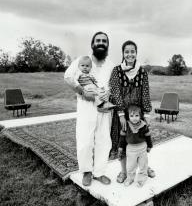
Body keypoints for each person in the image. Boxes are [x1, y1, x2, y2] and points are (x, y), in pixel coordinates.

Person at [64, 31, 114, 186]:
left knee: (104, 140)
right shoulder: (82, 60)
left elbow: (113, 85)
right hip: (86, 106)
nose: (101, 43)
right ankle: (86, 171)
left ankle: (99, 172)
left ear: (107, 45)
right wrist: (82, 91)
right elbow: (68, 76)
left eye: (104, 41)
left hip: (103, 108)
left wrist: (108, 93)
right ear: (92, 44)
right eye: (98, 40)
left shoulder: (111, 65)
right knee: (85, 140)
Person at [109, 40, 155, 183]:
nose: (130, 54)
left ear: (136, 53)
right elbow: (115, 93)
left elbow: (145, 92)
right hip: (122, 115)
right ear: (123, 53)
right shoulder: (117, 71)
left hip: (138, 115)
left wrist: (146, 114)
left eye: (132, 51)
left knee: (141, 141)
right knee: (122, 142)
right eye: (127, 51)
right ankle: (124, 172)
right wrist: (121, 114)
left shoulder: (142, 71)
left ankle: (144, 167)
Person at [118, 105, 153, 187]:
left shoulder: (144, 125)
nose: (134, 118)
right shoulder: (126, 126)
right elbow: (122, 138)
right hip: (131, 149)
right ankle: (130, 178)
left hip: (142, 148)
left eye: (137, 115)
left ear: (140, 116)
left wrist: (149, 146)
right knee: (130, 166)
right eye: (131, 116)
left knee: (143, 165)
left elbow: (148, 136)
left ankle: (141, 179)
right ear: (128, 116)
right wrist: (120, 147)